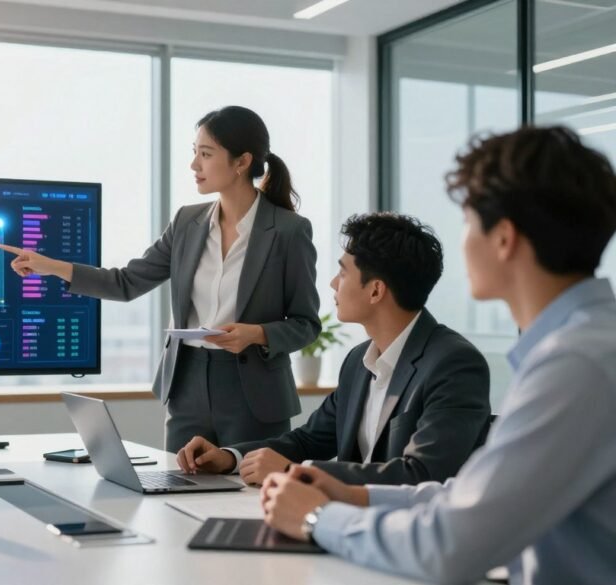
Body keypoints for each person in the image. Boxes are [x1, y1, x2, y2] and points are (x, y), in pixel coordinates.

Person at [260, 126, 616, 585]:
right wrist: (356, 495)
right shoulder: (583, 345)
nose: (463, 241)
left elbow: (449, 545)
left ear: (504, 238)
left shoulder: (577, 364)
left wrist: (317, 520)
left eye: (468, 221)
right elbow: (473, 496)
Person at [0, 105, 321, 451]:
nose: (194, 165)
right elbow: (126, 282)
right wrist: (53, 267)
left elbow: (306, 324)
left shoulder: (288, 231)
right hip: (187, 382)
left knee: (249, 497)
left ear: (241, 162)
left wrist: (255, 334)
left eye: (206, 154)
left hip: (255, 391)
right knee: (178, 488)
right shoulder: (187, 222)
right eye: (194, 153)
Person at [177, 212, 491, 485]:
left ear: (376, 290)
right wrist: (230, 458)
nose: (332, 283)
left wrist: (293, 472)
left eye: (343, 272)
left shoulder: (454, 364)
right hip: (344, 522)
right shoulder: (359, 361)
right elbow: (309, 440)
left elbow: (423, 475)